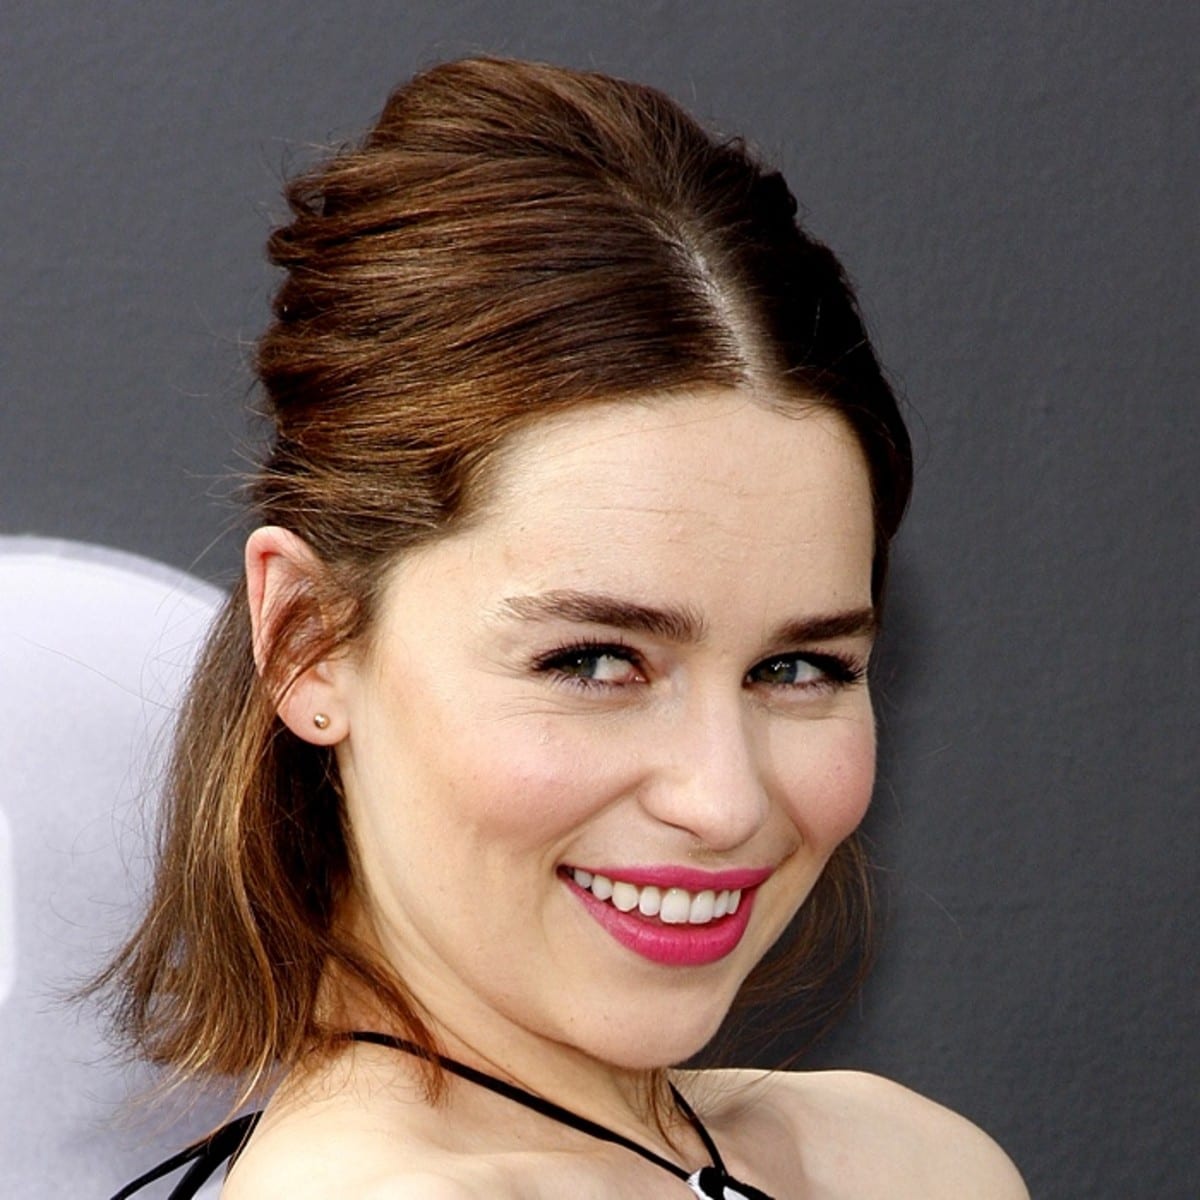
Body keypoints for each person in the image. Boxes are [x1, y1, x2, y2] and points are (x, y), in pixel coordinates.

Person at [98, 57, 1028, 1199]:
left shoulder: (906, 1161)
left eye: (799, 667)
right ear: (310, 641)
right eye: (595, 661)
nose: (724, 801)